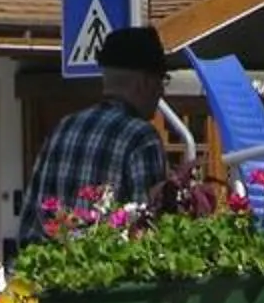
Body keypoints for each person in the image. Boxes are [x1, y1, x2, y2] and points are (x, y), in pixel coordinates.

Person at [21, 25, 179, 238]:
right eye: (162, 81)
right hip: (110, 269)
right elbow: (148, 229)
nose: (162, 91)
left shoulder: (63, 128)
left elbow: (30, 221)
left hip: (51, 268)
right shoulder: (141, 137)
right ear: (145, 82)